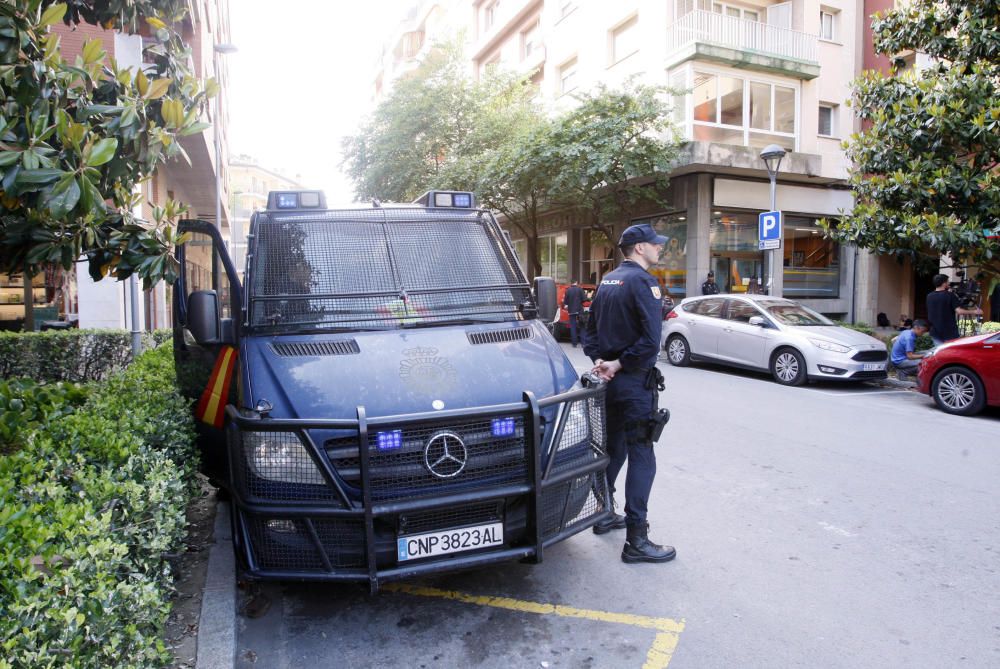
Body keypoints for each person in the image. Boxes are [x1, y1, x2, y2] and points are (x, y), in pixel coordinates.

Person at [584, 223, 676, 564]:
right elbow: (652, 342)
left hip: (608, 383)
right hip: (634, 382)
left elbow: (589, 331)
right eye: (655, 245)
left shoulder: (607, 281)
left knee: (613, 448)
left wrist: (602, 362)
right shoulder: (644, 282)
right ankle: (637, 539)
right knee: (642, 454)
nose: (659, 249)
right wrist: (620, 364)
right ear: (639, 248)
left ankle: (604, 513)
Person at [926, 274, 982, 346]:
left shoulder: (929, 296)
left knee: (939, 353)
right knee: (950, 352)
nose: (949, 283)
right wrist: (974, 311)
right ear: (944, 283)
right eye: (947, 281)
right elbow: (959, 311)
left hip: (935, 331)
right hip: (949, 331)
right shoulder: (950, 295)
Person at [562, 280, 585, 348]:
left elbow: (565, 302)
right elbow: (584, 299)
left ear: (571, 283)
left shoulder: (568, 290)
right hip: (579, 310)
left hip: (571, 311)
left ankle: (574, 343)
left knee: (573, 326)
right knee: (582, 326)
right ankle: (583, 343)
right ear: (576, 282)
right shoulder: (580, 289)